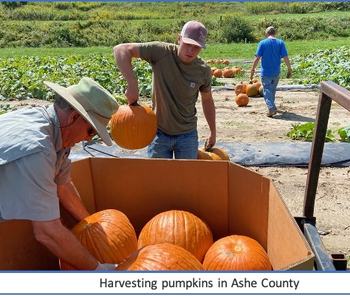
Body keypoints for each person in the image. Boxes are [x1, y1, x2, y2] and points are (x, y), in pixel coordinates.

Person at [0, 77, 119, 270]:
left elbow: (62, 186)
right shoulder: (38, 149)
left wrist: (91, 225)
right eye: (91, 131)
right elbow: (47, 232)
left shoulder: (55, 131)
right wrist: (97, 270)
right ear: (73, 117)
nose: (88, 139)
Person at [113, 20, 216, 159]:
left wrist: (212, 131)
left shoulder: (203, 70)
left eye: (196, 47)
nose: (191, 50)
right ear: (179, 39)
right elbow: (120, 49)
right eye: (187, 44)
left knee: (187, 178)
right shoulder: (161, 52)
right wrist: (132, 83)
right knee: (158, 178)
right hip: (158, 133)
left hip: (187, 135)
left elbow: (207, 100)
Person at [250, 26, 292, 117]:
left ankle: (271, 108)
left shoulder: (262, 43)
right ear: (275, 33)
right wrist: (289, 68)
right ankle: (273, 106)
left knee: (267, 91)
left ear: (266, 34)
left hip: (266, 72)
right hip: (276, 72)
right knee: (272, 90)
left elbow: (257, 58)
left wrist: (253, 69)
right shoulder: (281, 43)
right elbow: (285, 57)